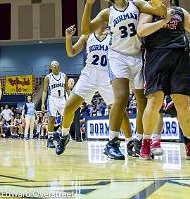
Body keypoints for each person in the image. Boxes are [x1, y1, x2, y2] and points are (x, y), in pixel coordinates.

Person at [80, 0, 166, 160]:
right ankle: (111, 142)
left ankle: (139, 140)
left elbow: (161, 12)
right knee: (121, 97)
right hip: (117, 56)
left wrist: (159, 5)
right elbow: (85, 30)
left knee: (143, 100)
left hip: (138, 55)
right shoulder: (107, 13)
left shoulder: (138, 4)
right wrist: (89, 4)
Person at [137, 0, 190, 160]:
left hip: (180, 56)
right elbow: (141, 30)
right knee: (154, 101)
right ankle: (146, 141)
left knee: (182, 104)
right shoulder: (149, 9)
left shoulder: (180, 11)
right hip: (156, 56)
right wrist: (163, 21)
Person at [56, 23, 135, 156]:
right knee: (69, 107)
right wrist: (68, 37)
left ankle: (130, 142)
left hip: (107, 75)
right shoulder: (87, 35)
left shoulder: (113, 35)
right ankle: (64, 136)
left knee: (120, 111)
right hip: (89, 75)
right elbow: (71, 52)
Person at [41, 61, 70, 148]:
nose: (55, 66)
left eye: (57, 65)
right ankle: (50, 139)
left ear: (59, 66)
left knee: (67, 117)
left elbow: (67, 89)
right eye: (53, 65)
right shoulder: (48, 77)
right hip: (52, 98)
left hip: (62, 98)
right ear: (51, 68)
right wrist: (42, 103)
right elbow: (45, 91)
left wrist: (70, 98)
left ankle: (58, 133)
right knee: (52, 119)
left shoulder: (64, 76)